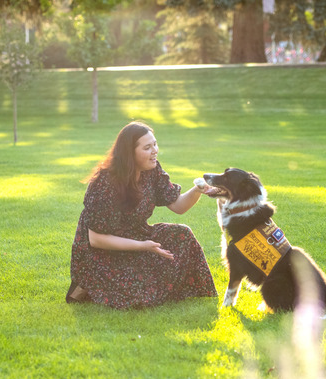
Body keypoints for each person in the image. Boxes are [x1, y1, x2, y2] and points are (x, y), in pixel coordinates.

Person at [66, 121, 218, 309]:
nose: (155, 151)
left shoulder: (151, 170)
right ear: (130, 153)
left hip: (136, 235)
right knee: (138, 293)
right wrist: (143, 246)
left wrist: (198, 189)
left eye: (155, 144)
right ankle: (85, 285)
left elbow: (178, 206)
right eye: (147, 147)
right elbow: (96, 239)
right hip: (100, 252)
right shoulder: (105, 182)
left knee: (182, 235)